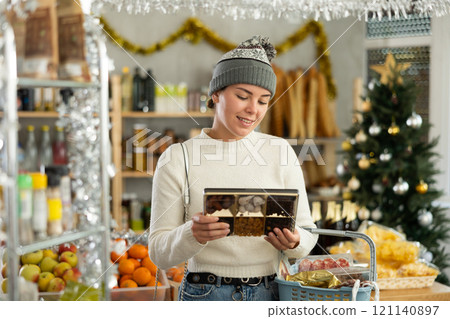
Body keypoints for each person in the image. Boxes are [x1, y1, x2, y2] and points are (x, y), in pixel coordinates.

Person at [148, 35, 318, 301]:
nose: (253, 109)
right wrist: (192, 235)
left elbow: (309, 233)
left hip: (270, 292)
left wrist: (295, 241)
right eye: (243, 96)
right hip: (204, 294)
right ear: (216, 94)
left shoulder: (281, 151)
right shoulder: (177, 157)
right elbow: (157, 251)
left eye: (263, 101)